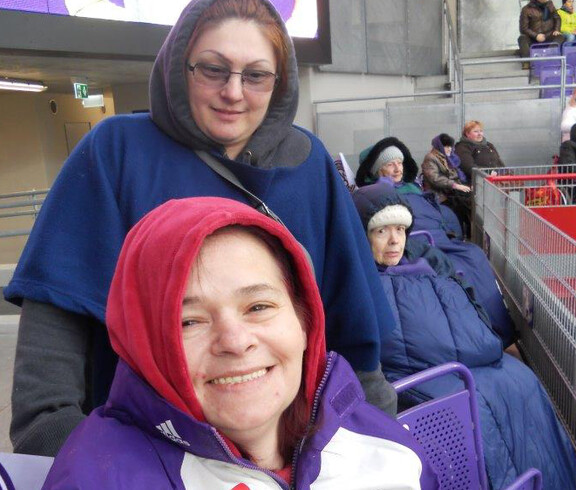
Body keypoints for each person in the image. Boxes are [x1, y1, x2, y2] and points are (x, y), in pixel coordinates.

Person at [5, 0, 398, 458]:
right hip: (151, 455)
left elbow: (352, 333)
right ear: (179, 68)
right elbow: (54, 340)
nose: (233, 92)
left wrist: (380, 447)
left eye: (255, 75)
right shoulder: (116, 152)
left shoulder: (309, 164)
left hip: (292, 456)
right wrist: (79, 454)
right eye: (213, 69)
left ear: (279, 82)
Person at [42, 197, 439, 489]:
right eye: (189, 321)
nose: (234, 341)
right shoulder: (94, 479)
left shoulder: (384, 443)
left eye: (259, 306)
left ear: (305, 322)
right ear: (143, 346)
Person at [352, 183, 576, 490]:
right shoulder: (358, 280)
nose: (395, 241)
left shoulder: (428, 261)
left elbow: (469, 314)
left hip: (470, 359)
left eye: (401, 230)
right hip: (422, 373)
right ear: (361, 234)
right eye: (381, 232)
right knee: (472, 415)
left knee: (523, 383)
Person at [355, 137, 516, 347]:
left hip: (436, 236)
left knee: (474, 255)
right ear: (377, 170)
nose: (397, 168)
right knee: (457, 267)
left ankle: (498, 329)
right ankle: (481, 333)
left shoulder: (412, 187)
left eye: (400, 162)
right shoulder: (374, 194)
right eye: (389, 164)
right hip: (417, 239)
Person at [421, 133, 472, 238]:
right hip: (439, 194)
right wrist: (455, 185)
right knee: (459, 208)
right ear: (439, 146)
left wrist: (465, 185)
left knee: (467, 204)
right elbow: (434, 179)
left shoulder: (449, 157)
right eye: (446, 146)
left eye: (450, 146)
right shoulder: (431, 158)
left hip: (450, 191)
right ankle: (459, 235)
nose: (449, 149)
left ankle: (465, 234)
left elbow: (456, 175)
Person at [518, 0, 563, 70]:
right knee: (522, 38)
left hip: (548, 35)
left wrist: (557, 30)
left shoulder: (550, 6)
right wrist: (536, 36)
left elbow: (557, 18)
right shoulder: (526, 9)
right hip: (532, 37)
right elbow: (523, 28)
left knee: (560, 37)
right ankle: (527, 62)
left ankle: (549, 56)